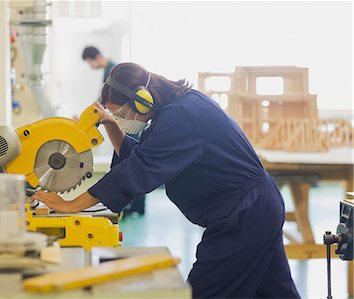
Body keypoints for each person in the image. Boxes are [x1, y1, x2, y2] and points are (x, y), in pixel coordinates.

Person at [32, 62, 301, 298]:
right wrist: (112, 125)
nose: (123, 120)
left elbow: (139, 169)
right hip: (256, 209)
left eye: (123, 114)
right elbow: (142, 154)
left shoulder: (181, 117)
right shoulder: (176, 109)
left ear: (142, 99)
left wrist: (73, 204)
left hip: (244, 214)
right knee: (274, 292)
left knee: (205, 293)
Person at [82, 46, 146, 215]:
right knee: (130, 158)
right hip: (129, 120)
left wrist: (89, 117)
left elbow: (104, 100)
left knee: (133, 162)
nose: (91, 67)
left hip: (131, 122)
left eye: (89, 63)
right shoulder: (110, 69)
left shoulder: (113, 71)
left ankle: (135, 207)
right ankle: (135, 206)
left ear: (94, 58)